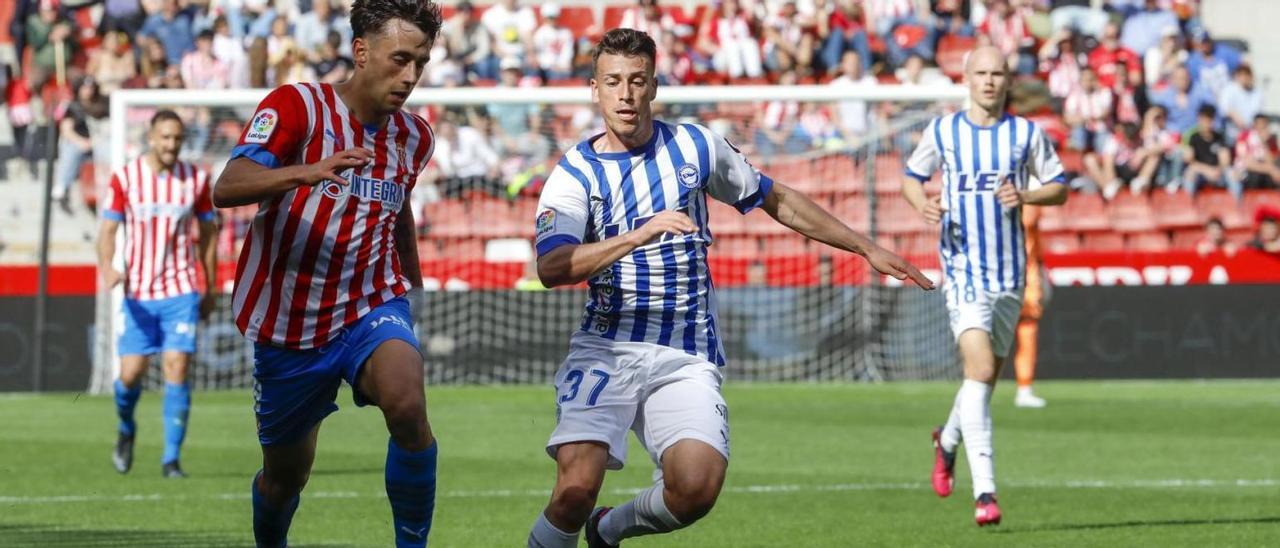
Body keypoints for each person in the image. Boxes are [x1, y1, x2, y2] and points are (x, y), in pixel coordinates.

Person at [525, 28, 933, 548]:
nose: (625, 95)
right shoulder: (573, 175)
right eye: (613, 82)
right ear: (594, 88)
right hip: (607, 348)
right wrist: (639, 234)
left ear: (654, 87)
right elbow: (553, 266)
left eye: (637, 81)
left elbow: (775, 198)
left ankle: (610, 529)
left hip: (686, 351)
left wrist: (864, 246)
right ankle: (582, 518)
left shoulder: (695, 145)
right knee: (574, 491)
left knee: (695, 489)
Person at [211, 1, 442, 546]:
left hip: (371, 302)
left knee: (407, 404)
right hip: (289, 321)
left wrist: (412, 279)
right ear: (361, 53)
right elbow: (227, 185)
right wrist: (304, 172)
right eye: (400, 59)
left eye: (421, 64)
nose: (409, 77)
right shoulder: (296, 107)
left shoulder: (416, 137)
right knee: (284, 478)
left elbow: (397, 205)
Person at [901, 46, 1068, 526]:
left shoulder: (1024, 134)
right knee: (977, 369)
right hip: (963, 272)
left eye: (998, 73)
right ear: (967, 78)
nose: (990, 81)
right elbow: (912, 178)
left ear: (1008, 81)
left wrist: (1028, 193)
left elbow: (1060, 185)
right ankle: (986, 493)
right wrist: (922, 205)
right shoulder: (945, 130)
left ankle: (946, 440)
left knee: (983, 381)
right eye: (982, 73)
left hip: (1010, 275)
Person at [99, 110, 218, 479]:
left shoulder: (196, 179)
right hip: (138, 291)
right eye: (165, 137)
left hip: (180, 288)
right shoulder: (126, 178)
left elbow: (209, 236)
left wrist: (208, 285)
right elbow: (107, 232)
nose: (171, 145)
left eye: (177, 139)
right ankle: (126, 426)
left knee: (176, 368)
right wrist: (107, 266)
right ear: (151, 137)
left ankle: (171, 460)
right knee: (130, 376)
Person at [1012, 205, 1047, 408]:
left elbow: (1031, 225)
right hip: (1002, 274)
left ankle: (1024, 388)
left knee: (1028, 328)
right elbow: (1030, 219)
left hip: (1027, 275)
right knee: (985, 333)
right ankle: (978, 384)